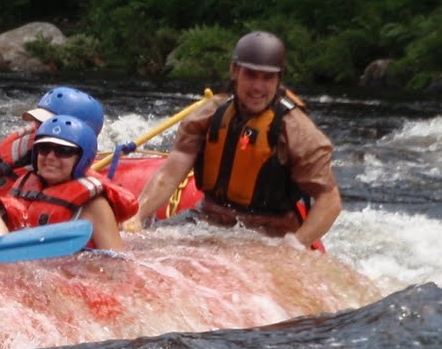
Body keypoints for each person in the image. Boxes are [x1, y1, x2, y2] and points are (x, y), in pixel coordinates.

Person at [134, 31, 341, 247]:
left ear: (278, 79)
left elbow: (330, 201)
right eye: (251, 75)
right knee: (141, 244)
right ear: (235, 71)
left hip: (270, 232)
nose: (258, 87)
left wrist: (295, 245)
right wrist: (137, 216)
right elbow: (170, 173)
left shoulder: (298, 131)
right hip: (207, 219)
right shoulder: (210, 114)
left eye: (267, 78)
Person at [5, 114, 138, 250]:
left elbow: (117, 261)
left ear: (82, 159)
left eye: (63, 151)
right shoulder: (22, 184)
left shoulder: (94, 205)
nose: (50, 157)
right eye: (44, 148)